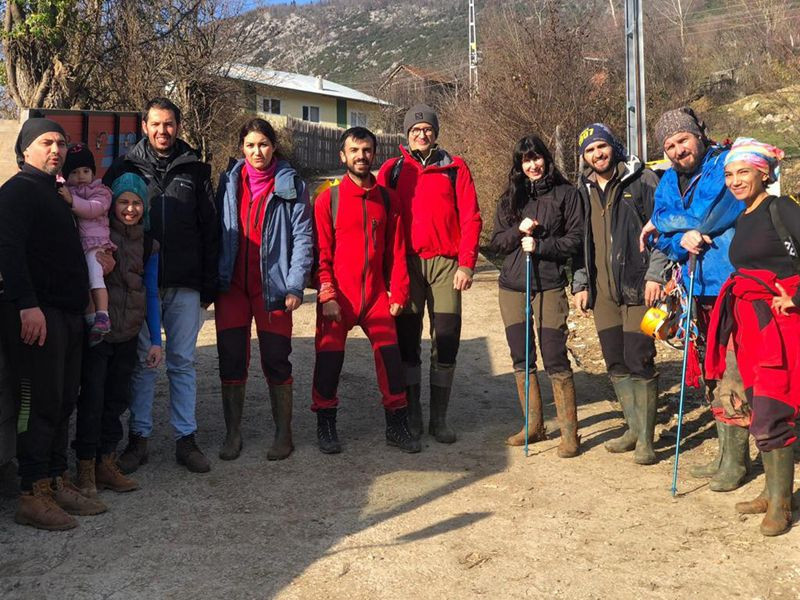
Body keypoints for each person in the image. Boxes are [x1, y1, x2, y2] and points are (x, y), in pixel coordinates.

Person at [0, 118, 107, 530]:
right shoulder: (17, 192)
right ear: (26, 149)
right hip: (35, 316)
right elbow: (8, 251)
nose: (56, 149)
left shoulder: (56, 193)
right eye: (47, 142)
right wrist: (27, 305)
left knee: (64, 400)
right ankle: (32, 491)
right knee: (37, 403)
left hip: (66, 314)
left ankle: (57, 478)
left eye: (61, 143)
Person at [103, 97, 219, 474]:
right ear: (145, 126)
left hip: (185, 282)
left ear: (179, 126)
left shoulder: (196, 170)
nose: (162, 131)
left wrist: (209, 285)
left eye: (169, 124)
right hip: (138, 284)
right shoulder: (125, 167)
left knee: (182, 362)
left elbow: (211, 230)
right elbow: (108, 221)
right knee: (142, 364)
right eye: (155, 124)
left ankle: (186, 439)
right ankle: (138, 439)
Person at [640, 107, 749, 490]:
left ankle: (737, 461)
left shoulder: (726, 166)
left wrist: (670, 224)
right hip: (694, 288)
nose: (677, 150)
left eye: (682, 140)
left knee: (733, 370)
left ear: (698, 136)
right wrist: (676, 234)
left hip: (729, 285)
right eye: (669, 145)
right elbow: (661, 230)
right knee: (711, 371)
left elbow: (720, 209)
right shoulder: (669, 181)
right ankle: (724, 453)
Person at [705, 138, 797, 536]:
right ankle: (771, 491)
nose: (735, 180)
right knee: (759, 405)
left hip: (781, 324)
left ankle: (781, 504)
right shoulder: (743, 216)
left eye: (743, 172)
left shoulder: (784, 208)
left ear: (764, 172)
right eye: (729, 173)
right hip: (750, 325)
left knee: (776, 406)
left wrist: (796, 295)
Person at [377, 104, 482, 443]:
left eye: (427, 128)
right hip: (405, 265)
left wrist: (466, 262)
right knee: (408, 341)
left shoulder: (455, 167)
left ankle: (439, 418)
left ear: (436, 132)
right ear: (406, 134)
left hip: (446, 265)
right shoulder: (392, 170)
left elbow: (471, 216)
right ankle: (413, 414)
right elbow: (376, 215)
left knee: (447, 338)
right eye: (415, 129)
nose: (421, 134)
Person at [312, 127, 418, 454]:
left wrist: (398, 293)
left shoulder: (387, 199)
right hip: (338, 298)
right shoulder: (328, 198)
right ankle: (326, 425)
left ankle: (396, 426)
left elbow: (397, 252)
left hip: (375, 298)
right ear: (342, 155)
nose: (361, 156)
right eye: (354, 150)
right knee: (329, 361)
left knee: (391, 359)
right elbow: (321, 255)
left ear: (374, 154)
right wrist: (327, 294)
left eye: (367, 150)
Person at [215, 118, 313, 461]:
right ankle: (232, 434)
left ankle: (283, 435)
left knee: (275, 358)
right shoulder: (228, 180)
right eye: (251, 145)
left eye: (264, 144)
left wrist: (295, 285)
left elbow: (302, 237)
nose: (258, 151)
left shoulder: (291, 185)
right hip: (232, 286)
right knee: (230, 358)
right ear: (241, 148)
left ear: (274, 146)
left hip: (272, 287)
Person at [572, 123, 669, 465]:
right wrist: (582, 282)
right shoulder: (583, 190)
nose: (598, 155)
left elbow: (664, 231)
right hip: (603, 293)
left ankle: (646, 439)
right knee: (615, 361)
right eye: (590, 150)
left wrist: (656, 274)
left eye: (602, 147)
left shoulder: (642, 182)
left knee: (639, 359)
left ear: (614, 146)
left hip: (639, 287)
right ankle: (631, 428)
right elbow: (584, 240)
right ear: (584, 157)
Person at [490, 135, 582, 457]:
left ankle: (570, 434)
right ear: (519, 165)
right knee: (522, 356)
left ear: (546, 158)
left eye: (537, 157)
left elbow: (575, 240)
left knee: (554, 354)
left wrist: (542, 245)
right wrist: (519, 232)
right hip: (513, 286)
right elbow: (497, 242)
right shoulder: (510, 199)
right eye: (526, 160)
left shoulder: (567, 195)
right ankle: (534, 425)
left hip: (549, 285)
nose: (533, 165)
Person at [72, 173, 162, 498]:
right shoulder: (100, 234)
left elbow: (151, 293)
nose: (130, 208)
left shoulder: (150, 243)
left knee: (116, 400)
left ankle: (105, 463)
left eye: (136, 202)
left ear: (144, 207)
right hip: (101, 333)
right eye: (124, 201)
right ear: (113, 205)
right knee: (93, 398)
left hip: (129, 331)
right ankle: (84, 467)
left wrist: (155, 340)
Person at [59, 144, 115, 343]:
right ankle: (93, 322)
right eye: (74, 172)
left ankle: (102, 314)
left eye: (85, 171)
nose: (81, 176)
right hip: (78, 244)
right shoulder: (65, 191)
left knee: (94, 276)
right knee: (83, 283)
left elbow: (93, 209)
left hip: (95, 244)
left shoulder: (101, 191)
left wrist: (71, 200)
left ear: (93, 172)